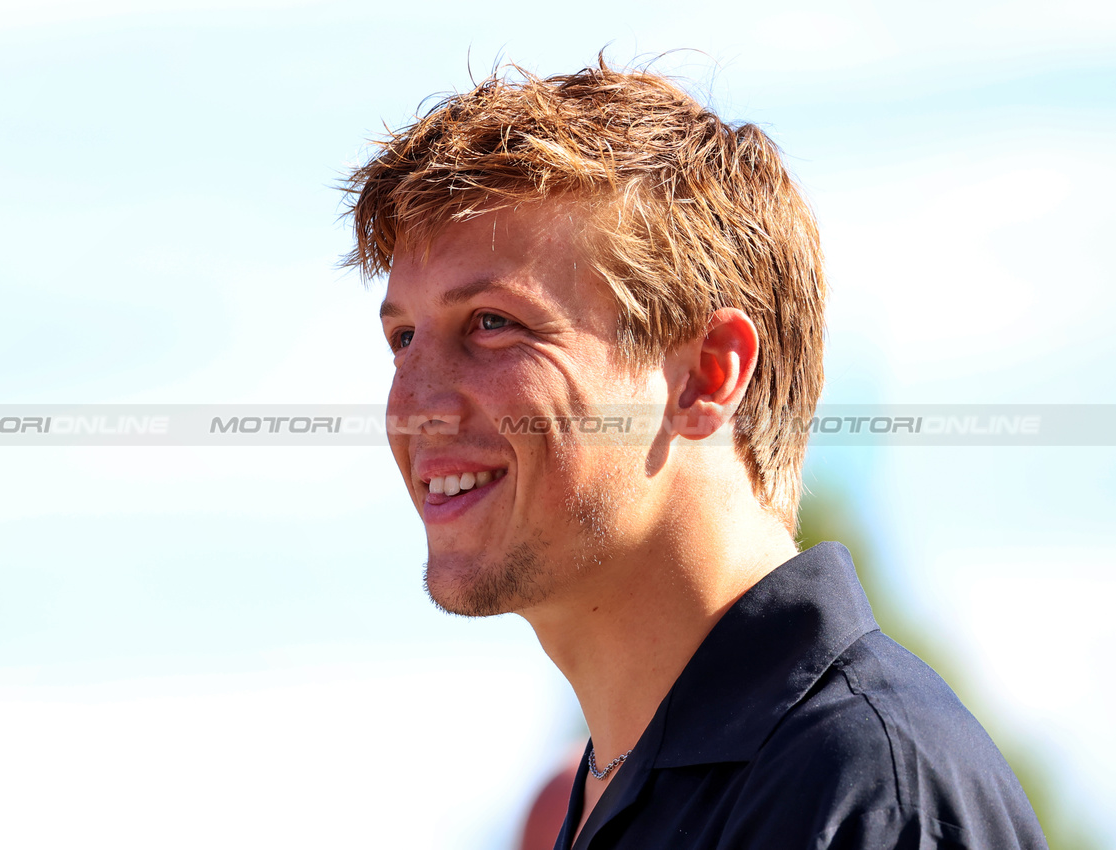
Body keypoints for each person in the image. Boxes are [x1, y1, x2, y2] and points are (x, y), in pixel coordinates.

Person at [343, 58, 1048, 849]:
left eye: (491, 323)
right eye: (402, 338)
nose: (415, 407)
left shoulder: (860, 792)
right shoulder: (632, 795)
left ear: (706, 375)